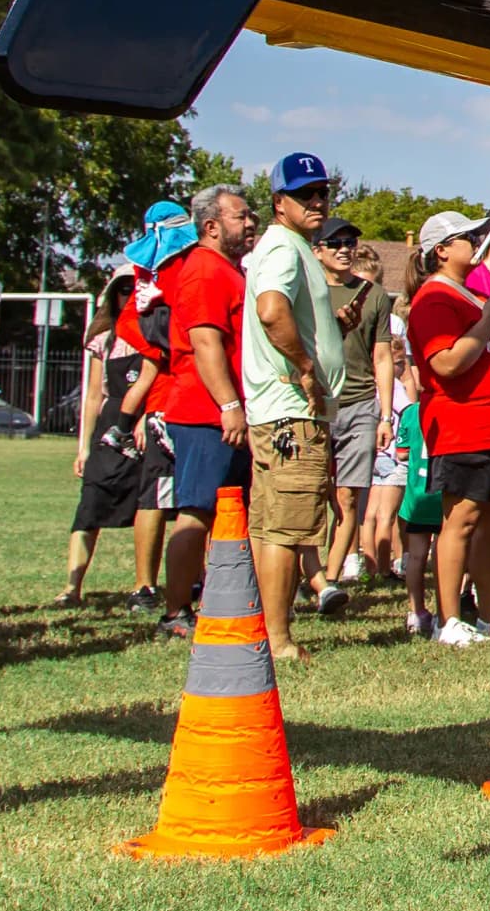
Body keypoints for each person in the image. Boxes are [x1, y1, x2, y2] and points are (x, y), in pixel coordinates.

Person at [237, 155, 347, 666]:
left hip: (279, 412)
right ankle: (278, 640)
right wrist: (306, 366)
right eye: (305, 194)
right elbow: (270, 309)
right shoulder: (283, 246)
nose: (317, 202)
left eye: (322, 192)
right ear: (278, 203)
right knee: (288, 528)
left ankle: (266, 629)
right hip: (291, 413)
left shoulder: (289, 246)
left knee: (269, 525)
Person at [403, 209, 490, 646]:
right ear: (441, 251)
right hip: (464, 423)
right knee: (462, 518)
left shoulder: (467, 295)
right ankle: (450, 617)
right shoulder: (435, 299)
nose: (477, 240)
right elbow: (446, 361)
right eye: (466, 237)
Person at [146, 186, 256, 635]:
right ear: (211, 226)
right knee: (197, 510)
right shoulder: (205, 271)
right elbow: (205, 343)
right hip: (203, 412)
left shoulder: (229, 271)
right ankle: (175, 613)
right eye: (240, 217)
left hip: (225, 412)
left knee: (229, 512)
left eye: (250, 216)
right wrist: (229, 405)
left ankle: (220, 601)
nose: (250, 223)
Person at [61, 257, 164, 609]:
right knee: (89, 506)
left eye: (133, 289)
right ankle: (72, 587)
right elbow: (93, 396)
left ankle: (145, 585)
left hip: (144, 426)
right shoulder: (102, 340)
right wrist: (84, 448)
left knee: (148, 505)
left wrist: (145, 417)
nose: (128, 296)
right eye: (122, 290)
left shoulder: (155, 333)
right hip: (109, 426)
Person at [313, 218, 400, 611]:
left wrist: (385, 415)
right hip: (315, 404)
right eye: (335, 242)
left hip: (362, 403)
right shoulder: (307, 291)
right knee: (314, 496)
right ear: (317, 250)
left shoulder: (374, 294)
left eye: (350, 241)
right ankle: (310, 576)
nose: (344, 248)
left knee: (349, 498)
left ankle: (329, 583)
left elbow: (383, 355)